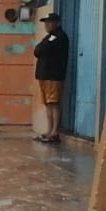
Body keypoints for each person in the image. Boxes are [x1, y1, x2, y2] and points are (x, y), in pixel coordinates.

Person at [33, 12, 70, 143]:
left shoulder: (58, 36)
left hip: (53, 75)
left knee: (54, 103)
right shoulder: (49, 37)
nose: (47, 25)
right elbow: (37, 50)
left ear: (57, 23)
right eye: (46, 23)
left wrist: (41, 49)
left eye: (50, 22)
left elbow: (41, 50)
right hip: (44, 75)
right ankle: (49, 130)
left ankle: (55, 132)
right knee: (48, 103)